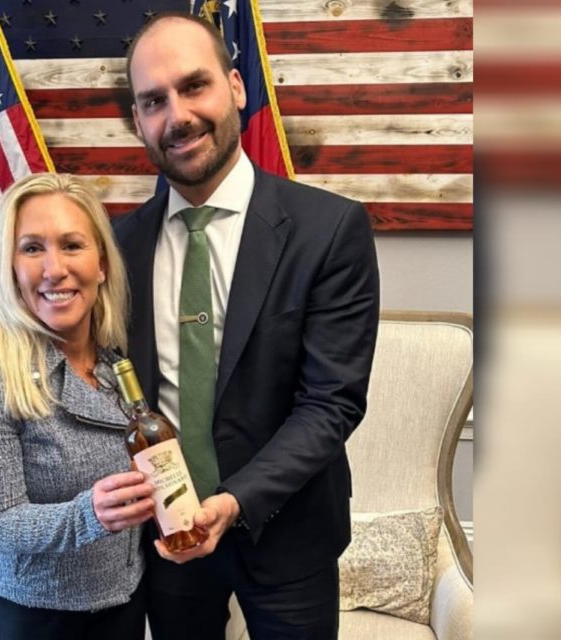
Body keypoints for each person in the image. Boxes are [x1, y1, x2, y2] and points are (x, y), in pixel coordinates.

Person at [115, 13, 381, 639]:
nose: (176, 116)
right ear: (138, 121)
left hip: (288, 533)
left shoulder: (329, 230)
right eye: (154, 101)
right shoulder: (117, 247)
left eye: (194, 86)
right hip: (168, 541)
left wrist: (233, 502)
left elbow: (331, 403)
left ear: (235, 87)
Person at [0, 173, 155, 640]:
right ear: (10, 266)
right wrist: (90, 515)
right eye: (33, 248)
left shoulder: (116, 359)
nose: (54, 269)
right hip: (41, 615)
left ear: (101, 264)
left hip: (125, 598)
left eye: (72, 245)